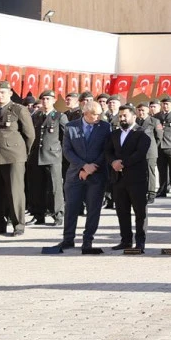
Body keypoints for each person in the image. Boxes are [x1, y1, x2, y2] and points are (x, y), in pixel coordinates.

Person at [42, 100, 109, 254]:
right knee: (71, 208)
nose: (98, 117)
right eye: (95, 114)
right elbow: (67, 150)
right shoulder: (71, 126)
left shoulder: (105, 127)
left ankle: (87, 240)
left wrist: (91, 168)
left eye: (100, 114)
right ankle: (68, 239)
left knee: (93, 209)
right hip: (75, 174)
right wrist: (83, 166)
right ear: (85, 113)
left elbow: (106, 150)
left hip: (97, 174)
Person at [0, 80, 34, 237]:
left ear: (10, 93)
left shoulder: (18, 109)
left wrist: (22, 154)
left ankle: (18, 225)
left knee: (14, 192)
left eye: (3, 92)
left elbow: (29, 135)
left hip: (13, 157)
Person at [105, 104, 152, 252]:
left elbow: (140, 153)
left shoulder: (142, 132)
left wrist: (122, 163)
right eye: (120, 116)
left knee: (140, 212)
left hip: (136, 179)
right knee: (122, 211)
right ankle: (125, 240)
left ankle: (140, 242)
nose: (122, 118)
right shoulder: (114, 134)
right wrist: (113, 162)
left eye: (125, 115)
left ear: (134, 116)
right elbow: (107, 152)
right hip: (118, 179)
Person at [27, 90, 66, 226]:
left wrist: (61, 155)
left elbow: (65, 138)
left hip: (53, 156)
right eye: (43, 99)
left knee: (55, 187)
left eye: (48, 99)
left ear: (54, 100)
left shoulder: (59, 116)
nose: (45, 101)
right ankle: (38, 215)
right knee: (37, 187)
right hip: (37, 156)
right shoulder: (36, 115)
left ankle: (58, 215)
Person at [134, 102, 162, 205]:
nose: (141, 112)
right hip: (137, 152)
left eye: (143, 110)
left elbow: (159, 137)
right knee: (139, 172)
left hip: (150, 151)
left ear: (147, 110)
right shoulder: (135, 121)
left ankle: (151, 194)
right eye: (139, 110)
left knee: (150, 173)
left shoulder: (154, 121)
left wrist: (152, 147)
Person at [155, 96, 171, 198]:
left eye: (167, 104)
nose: (165, 106)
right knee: (162, 171)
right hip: (160, 147)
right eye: (163, 104)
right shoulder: (157, 116)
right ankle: (162, 190)